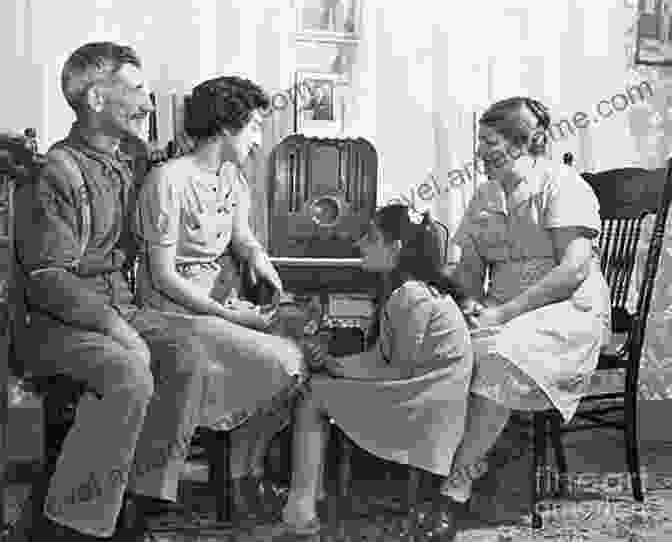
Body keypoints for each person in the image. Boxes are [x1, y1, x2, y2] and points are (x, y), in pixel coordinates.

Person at [10, 42, 304, 541]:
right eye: (139, 91)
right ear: (98, 99)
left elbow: (191, 183)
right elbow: (47, 280)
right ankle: (75, 525)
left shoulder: (131, 160)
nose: (149, 104)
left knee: (187, 354)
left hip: (117, 307)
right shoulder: (54, 172)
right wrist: (117, 328)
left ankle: (139, 506)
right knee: (128, 368)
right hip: (54, 320)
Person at [132, 75, 307, 511]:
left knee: (307, 347)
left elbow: (242, 235)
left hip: (221, 306)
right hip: (174, 313)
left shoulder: (233, 178)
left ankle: (242, 473)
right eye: (253, 127)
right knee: (285, 362)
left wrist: (257, 256)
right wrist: (230, 317)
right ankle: (232, 478)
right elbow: (163, 277)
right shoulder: (168, 181)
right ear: (228, 128)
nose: (258, 138)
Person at [267, 204, 476, 540]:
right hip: (427, 397)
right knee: (318, 386)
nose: (361, 245)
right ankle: (306, 501)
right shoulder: (414, 290)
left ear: (395, 249)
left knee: (311, 395)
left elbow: (396, 370)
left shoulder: (411, 296)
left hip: (424, 410)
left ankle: (301, 514)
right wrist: (334, 365)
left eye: (371, 238)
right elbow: (384, 360)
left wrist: (335, 368)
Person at [440, 96, 612, 501]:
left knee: (499, 354)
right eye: (479, 142)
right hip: (504, 311)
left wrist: (503, 312)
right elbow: (467, 266)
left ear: (521, 144)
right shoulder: (485, 196)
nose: (480, 152)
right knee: (446, 342)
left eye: (490, 142)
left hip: (566, 312)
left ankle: (457, 483)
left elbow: (572, 273)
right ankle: (458, 462)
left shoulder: (563, 184)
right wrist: (463, 300)